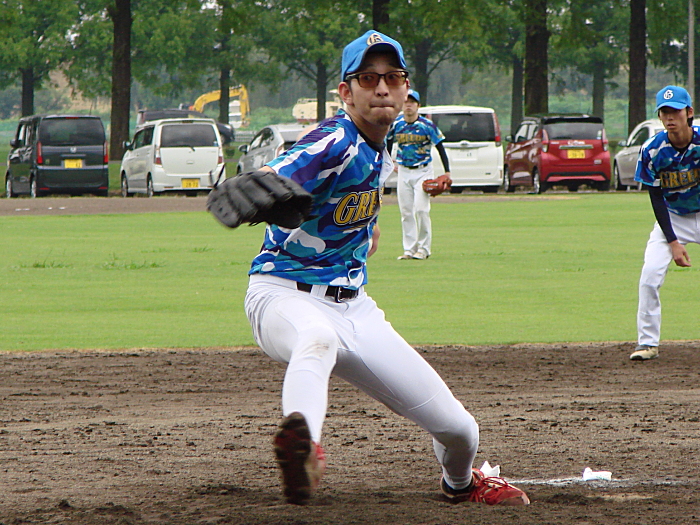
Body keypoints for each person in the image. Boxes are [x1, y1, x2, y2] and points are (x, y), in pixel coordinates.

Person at [243, 30, 529, 506]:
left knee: (461, 431)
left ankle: (460, 483)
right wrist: (261, 182)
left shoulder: (381, 145)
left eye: (392, 78)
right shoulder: (336, 137)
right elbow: (290, 165)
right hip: (283, 295)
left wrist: (367, 231)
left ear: (405, 88)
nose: (381, 88)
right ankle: (303, 452)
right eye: (368, 78)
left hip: (356, 310)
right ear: (345, 91)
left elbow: (351, 206)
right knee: (317, 339)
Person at [631, 85, 700, 361]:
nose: (670, 117)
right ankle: (647, 343)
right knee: (649, 276)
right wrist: (672, 241)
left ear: (689, 112)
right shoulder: (652, 149)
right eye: (664, 112)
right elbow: (656, 197)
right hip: (673, 218)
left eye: (676, 111)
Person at [386, 89, 451, 260]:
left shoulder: (427, 125)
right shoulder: (396, 124)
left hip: (423, 171)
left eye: (412, 102)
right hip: (403, 171)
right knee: (406, 212)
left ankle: (423, 249)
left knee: (421, 210)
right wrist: (389, 161)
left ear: (418, 106)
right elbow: (388, 142)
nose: (408, 105)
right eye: (406, 102)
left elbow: (440, 147)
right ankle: (409, 249)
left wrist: (447, 171)